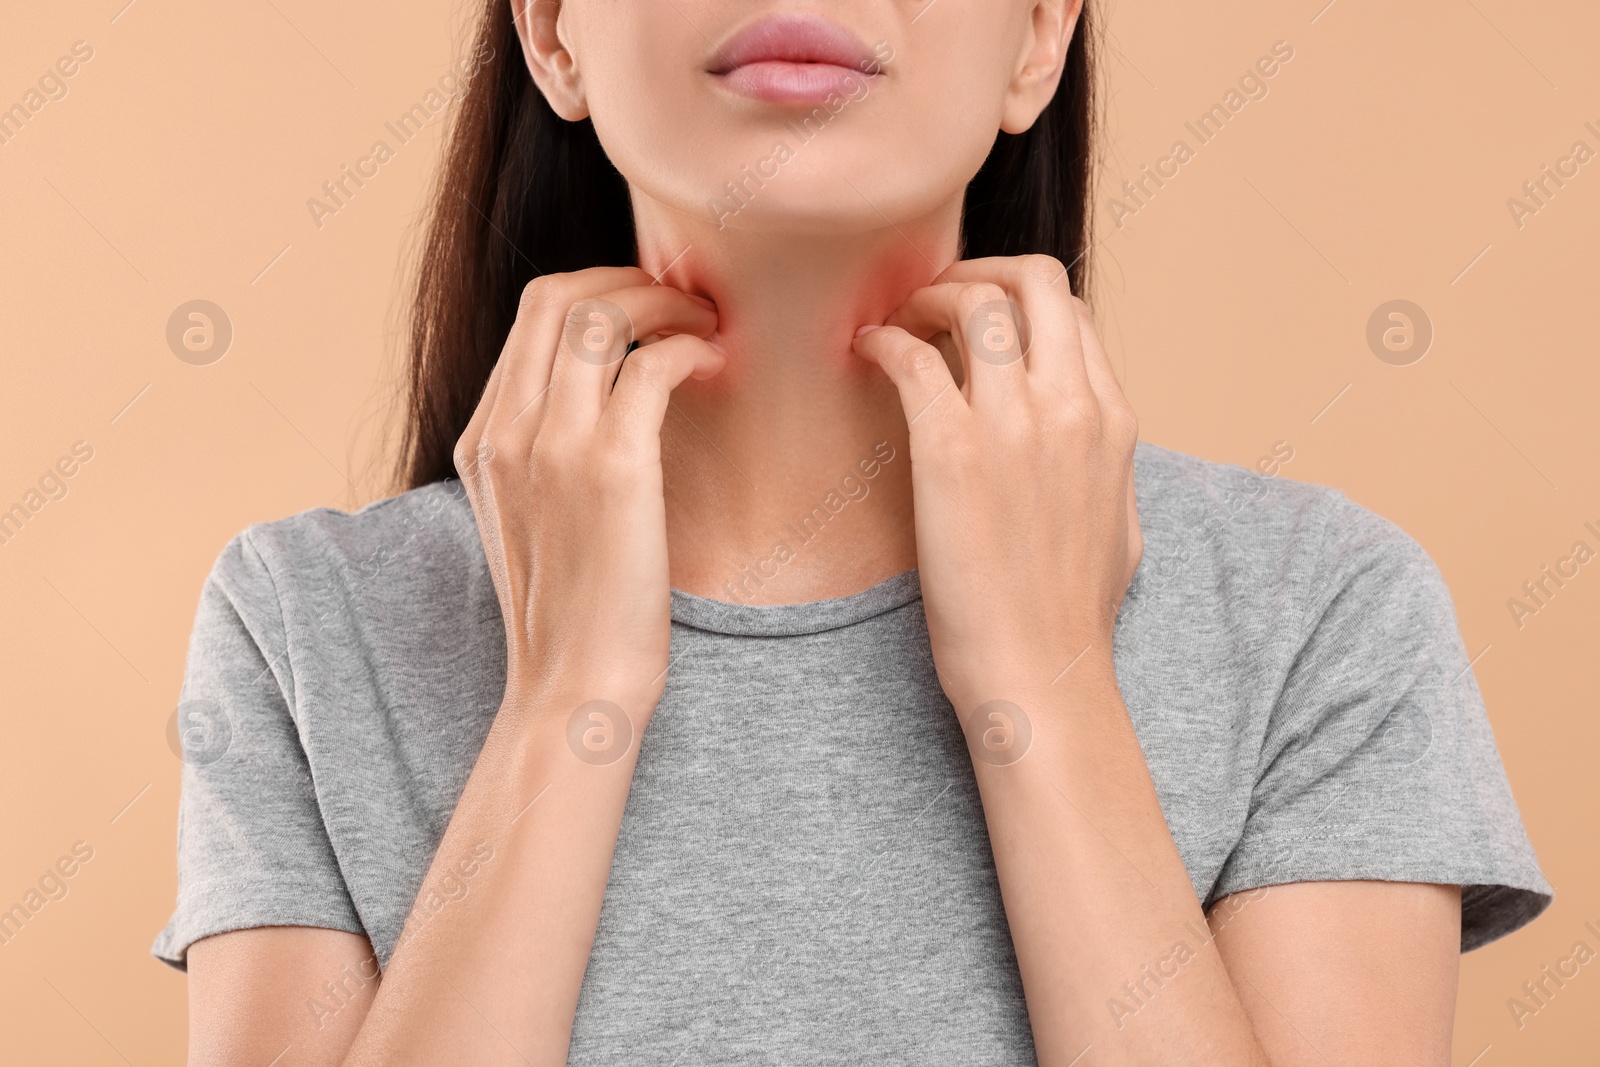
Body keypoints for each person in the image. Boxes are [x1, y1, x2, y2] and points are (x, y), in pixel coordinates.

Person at [153, 2, 1550, 1064]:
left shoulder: (1324, 610)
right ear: (554, 32)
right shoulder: (307, 619)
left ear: (1039, 38)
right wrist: (568, 702)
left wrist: (1043, 693)